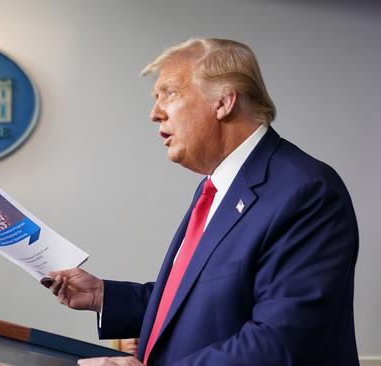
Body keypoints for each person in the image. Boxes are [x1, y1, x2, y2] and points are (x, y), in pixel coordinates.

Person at [46, 38, 359, 365]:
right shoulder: (215, 187)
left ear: (223, 102)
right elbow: (197, 301)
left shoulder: (307, 191)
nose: (155, 114)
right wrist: (102, 296)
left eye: (168, 93)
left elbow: (279, 343)